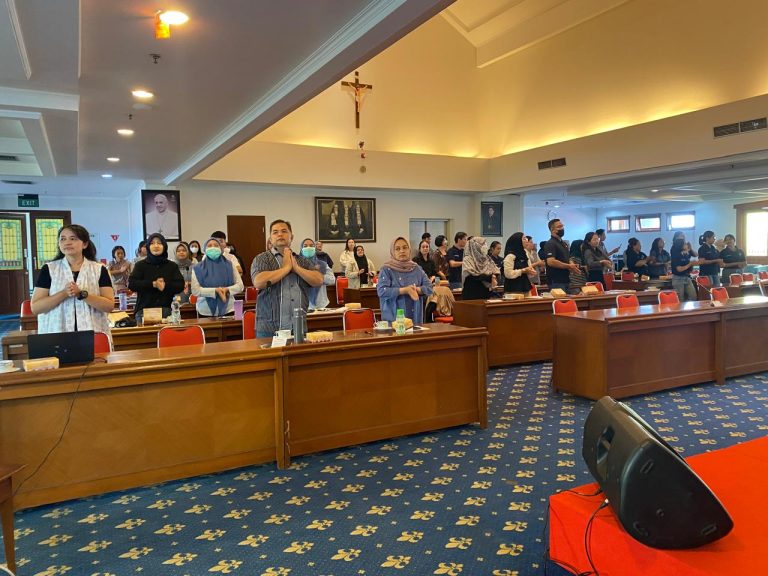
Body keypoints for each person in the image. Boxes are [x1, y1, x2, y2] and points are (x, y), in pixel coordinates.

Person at [31, 224, 114, 336]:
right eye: (63, 239)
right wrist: (64, 293)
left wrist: (82, 294)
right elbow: (36, 308)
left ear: (85, 244)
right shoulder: (49, 269)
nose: (67, 242)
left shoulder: (99, 269)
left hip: (93, 333)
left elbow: (109, 306)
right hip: (56, 334)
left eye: (73, 239)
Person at [251, 219, 323, 338]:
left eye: (284, 231)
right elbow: (258, 282)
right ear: (270, 239)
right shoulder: (262, 258)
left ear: (291, 237)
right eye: (275, 232)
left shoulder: (301, 260)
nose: (280, 234)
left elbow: (318, 280)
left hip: (298, 326)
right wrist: (286, 268)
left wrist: (296, 268)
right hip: (269, 328)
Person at [128, 233, 185, 322]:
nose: (156, 246)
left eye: (159, 243)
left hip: (166, 310)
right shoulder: (140, 265)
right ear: (148, 247)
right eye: (152, 243)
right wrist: (152, 284)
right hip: (144, 311)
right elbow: (132, 284)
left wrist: (165, 285)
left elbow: (180, 285)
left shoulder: (172, 266)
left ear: (164, 246)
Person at [377, 237, 433, 324]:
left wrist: (416, 289)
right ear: (392, 251)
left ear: (409, 250)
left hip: (415, 317)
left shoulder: (416, 268)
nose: (402, 251)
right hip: (393, 318)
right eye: (397, 249)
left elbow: (429, 287)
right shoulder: (386, 269)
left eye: (405, 247)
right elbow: (381, 291)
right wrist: (405, 290)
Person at [192, 237, 244, 316]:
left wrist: (227, 290)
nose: (213, 247)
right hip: (205, 311)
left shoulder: (230, 265)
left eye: (216, 245)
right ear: (205, 250)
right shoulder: (197, 268)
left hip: (228, 309)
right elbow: (195, 291)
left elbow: (240, 286)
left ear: (221, 249)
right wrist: (215, 291)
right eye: (209, 246)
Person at [544, 219, 580, 292]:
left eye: (562, 226)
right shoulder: (550, 243)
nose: (562, 228)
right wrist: (568, 266)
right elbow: (551, 262)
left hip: (565, 278)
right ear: (552, 230)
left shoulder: (563, 243)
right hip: (556, 280)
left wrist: (572, 265)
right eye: (559, 227)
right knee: (560, 298)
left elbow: (568, 257)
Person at [301, 238, 335, 310]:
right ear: (301, 249)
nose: (308, 248)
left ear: (314, 248)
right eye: (305, 246)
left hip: (321, 304)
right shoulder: (297, 265)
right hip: (302, 304)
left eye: (311, 246)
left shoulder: (322, 264)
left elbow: (332, 280)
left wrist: (318, 276)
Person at [670, 235, 701, 301]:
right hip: (678, 278)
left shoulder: (686, 253)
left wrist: (690, 249)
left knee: (693, 297)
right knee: (680, 299)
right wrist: (690, 264)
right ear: (681, 245)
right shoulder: (676, 254)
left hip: (687, 277)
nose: (686, 244)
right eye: (685, 243)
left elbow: (696, 255)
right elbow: (679, 269)